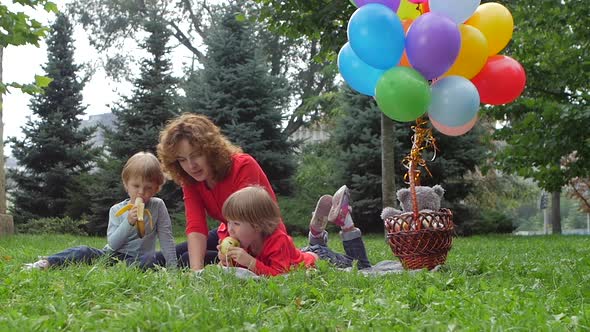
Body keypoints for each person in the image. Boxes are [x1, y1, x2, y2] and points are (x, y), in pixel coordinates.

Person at [150, 113, 287, 271]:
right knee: (166, 257)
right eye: (182, 159)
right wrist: (197, 271)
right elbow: (196, 226)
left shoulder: (242, 166)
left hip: (260, 239)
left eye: (196, 155)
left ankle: (315, 247)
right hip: (229, 232)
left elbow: (249, 223)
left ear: (211, 150)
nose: (191, 165)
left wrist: (216, 257)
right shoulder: (190, 179)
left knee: (186, 258)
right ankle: (123, 259)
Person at [23, 152, 178, 270]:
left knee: (153, 259)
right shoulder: (116, 210)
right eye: (136, 186)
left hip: (140, 259)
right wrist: (128, 222)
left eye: (148, 188)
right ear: (126, 185)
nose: (141, 192)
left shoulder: (158, 206)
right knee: (84, 251)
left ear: (156, 188)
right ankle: (47, 262)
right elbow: (113, 243)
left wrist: (172, 269)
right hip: (112, 256)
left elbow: (166, 239)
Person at [218, 185, 371, 276]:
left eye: (236, 223)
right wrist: (228, 261)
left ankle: (347, 224)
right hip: (304, 253)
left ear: (257, 225)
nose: (229, 229)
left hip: (324, 260)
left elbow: (281, 275)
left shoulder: (278, 241)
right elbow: (249, 270)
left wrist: (250, 262)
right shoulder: (247, 241)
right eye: (228, 222)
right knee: (304, 253)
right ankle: (316, 236)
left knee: (362, 266)